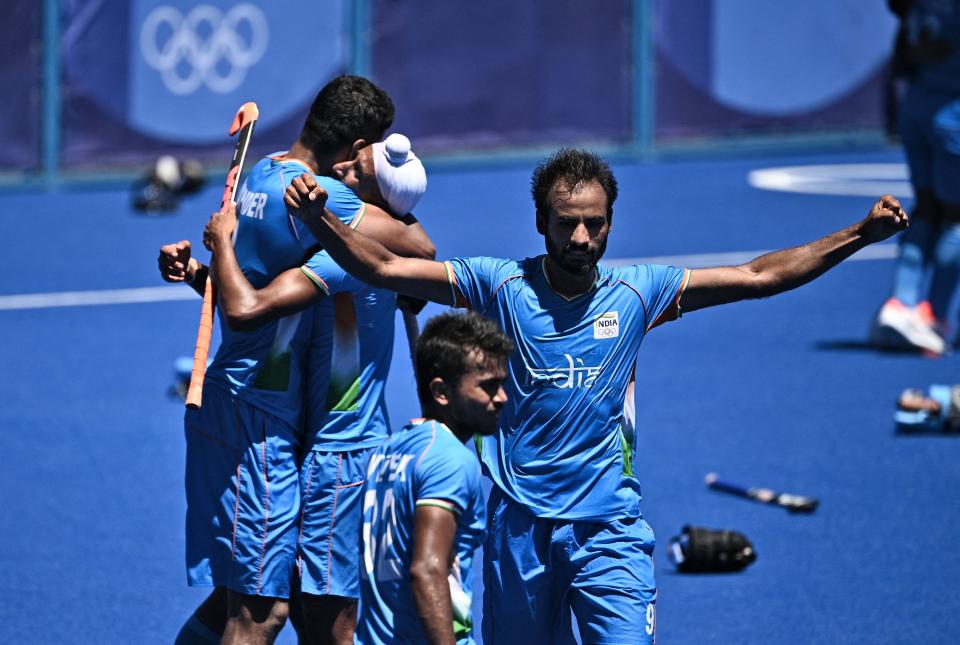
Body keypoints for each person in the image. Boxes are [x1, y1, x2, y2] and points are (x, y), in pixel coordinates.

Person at [281, 147, 909, 643]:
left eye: (595, 224)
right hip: (518, 530)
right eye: (567, 224)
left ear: (611, 222)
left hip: (610, 527)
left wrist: (860, 232)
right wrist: (321, 221)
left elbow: (757, 276)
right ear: (540, 223)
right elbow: (385, 270)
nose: (581, 239)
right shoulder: (499, 284)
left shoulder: (641, 293)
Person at [159, 76, 433, 645]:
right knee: (261, 612)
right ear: (357, 146)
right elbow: (421, 252)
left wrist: (202, 269)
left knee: (250, 591)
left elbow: (248, 289)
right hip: (262, 419)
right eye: (373, 147)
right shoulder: (320, 200)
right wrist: (222, 249)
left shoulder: (262, 173)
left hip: (243, 404)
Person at [357, 312, 511, 645]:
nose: (501, 398)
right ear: (441, 391)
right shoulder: (451, 461)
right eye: (488, 386)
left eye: (502, 384)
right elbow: (427, 570)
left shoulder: (389, 451)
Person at [870, 0, 960, 355]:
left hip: (917, 109)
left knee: (928, 207)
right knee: (956, 217)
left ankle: (900, 306)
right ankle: (932, 316)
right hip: (952, 115)